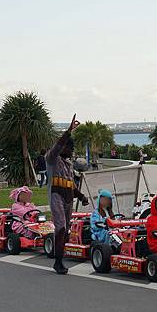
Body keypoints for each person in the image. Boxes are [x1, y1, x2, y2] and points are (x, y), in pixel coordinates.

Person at [46, 114, 89, 274]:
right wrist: (68, 131)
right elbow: (57, 146)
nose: (71, 151)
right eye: (70, 148)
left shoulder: (69, 165)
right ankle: (58, 262)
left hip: (68, 198)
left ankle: (59, 256)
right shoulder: (52, 159)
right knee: (61, 227)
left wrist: (82, 196)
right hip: (56, 195)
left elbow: (71, 186)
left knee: (66, 232)